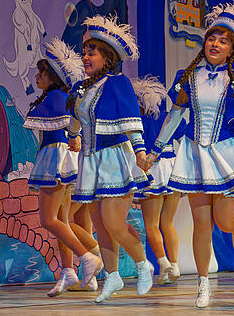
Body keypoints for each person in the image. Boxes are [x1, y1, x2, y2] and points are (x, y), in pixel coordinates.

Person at [145, 3, 234, 308]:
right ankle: (202, 283)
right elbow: (174, 116)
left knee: (224, 222)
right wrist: (155, 151)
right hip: (195, 154)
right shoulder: (188, 76)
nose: (215, 44)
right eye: (212, 38)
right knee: (200, 223)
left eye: (223, 41)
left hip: (225, 155)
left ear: (232, 50)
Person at [66, 15, 153, 303]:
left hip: (114, 159)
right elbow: (78, 119)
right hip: (90, 162)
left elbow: (130, 120)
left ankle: (143, 264)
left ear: (108, 56)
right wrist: (73, 135)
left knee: (114, 223)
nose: (86, 57)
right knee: (99, 226)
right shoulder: (84, 88)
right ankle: (112, 277)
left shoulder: (117, 83)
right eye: (85, 52)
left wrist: (140, 152)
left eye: (92, 52)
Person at [24, 38, 103, 297]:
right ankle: (71, 272)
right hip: (63, 158)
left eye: (41, 72)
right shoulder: (56, 97)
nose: (37, 76)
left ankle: (88, 258)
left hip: (56, 158)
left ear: (52, 76)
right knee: (63, 220)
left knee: (49, 219)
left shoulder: (57, 98)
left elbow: (68, 127)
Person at [131, 76, 184, 285]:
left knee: (151, 225)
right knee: (168, 222)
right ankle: (175, 265)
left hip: (150, 168)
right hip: (171, 167)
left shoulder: (136, 121)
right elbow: (184, 138)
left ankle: (164, 265)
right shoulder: (170, 117)